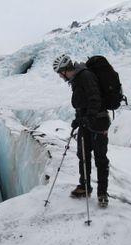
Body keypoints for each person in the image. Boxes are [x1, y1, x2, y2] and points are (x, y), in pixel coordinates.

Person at [52, 54, 111, 206]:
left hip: (98, 123)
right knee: (83, 155)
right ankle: (85, 186)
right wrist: (79, 119)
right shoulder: (76, 79)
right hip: (86, 123)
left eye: (60, 72)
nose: (60, 76)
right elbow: (81, 103)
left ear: (65, 70)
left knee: (100, 158)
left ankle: (102, 192)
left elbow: (95, 98)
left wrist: (88, 117)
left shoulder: (85, 76)